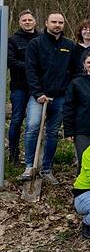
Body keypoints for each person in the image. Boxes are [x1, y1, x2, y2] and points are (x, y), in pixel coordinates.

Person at [21, 12, 78, 183]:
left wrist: (69, 92)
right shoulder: (35, 44)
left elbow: (75, 72)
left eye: (60, 22)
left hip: (60, 97)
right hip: (38, 96)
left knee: (53, 132)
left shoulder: (70, 46)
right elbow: (30, 70)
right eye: (54, 22)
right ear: (46, 23)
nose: (57, 25)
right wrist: (38, 93)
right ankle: (29, 165)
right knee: (32, 127)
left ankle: (46, 168)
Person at [7, 10, 39, 164]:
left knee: (35, 123)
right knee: (17, 119)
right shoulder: (12, 40)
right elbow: (11, 62)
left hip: (38, 88)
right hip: (19, 86)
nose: (27, 22)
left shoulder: (41, 39)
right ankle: (13, 156)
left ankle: (33, 157)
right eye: (24, 20)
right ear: (20, 22)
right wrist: (31, 67)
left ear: (35, 21)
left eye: (30, 19)